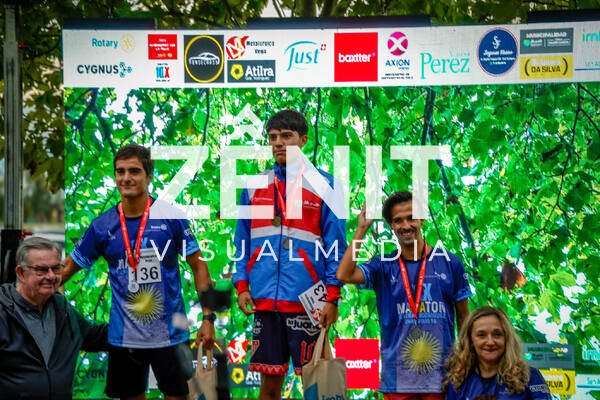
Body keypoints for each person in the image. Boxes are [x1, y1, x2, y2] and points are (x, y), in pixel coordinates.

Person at [61, 144, 215, 400]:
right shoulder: (102, 226)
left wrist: (208, 319)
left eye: (134, 171)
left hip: (170, 335)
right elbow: (66, 269)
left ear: (149, 175)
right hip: (124, 338)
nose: (126, 178)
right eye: (120, 171)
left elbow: (199, 266)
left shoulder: (171, 218)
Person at [232, 109, 347, 399]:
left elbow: (337, 247)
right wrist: (241, 285)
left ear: (303, 140)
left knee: (319, 386)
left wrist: (333, 297)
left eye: (286, 136)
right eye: (273, 137)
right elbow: (242, 242)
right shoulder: (254, 186)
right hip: (265, 302)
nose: (278, 143)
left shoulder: (327, 185)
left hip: (309, 301)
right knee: (270, 387)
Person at [337, 191, 472, 400]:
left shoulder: (450, 263)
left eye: (411, 218)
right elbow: (344, 274)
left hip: (443, 377)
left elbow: (464, 318)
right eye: (398, 220)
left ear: (422, 219)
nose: (405, 225)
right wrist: (361, 229)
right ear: (391, 225)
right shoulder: (383, 265)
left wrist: (467, 363)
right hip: (397, 379)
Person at [0, 237, 109, 400]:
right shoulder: (4, 311)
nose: (51, 276)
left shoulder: (61, 309)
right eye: (41, 270)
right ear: (21, 273)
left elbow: (94, 337)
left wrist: (138, 326)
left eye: (56, 268)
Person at [444, 306, 551, 400]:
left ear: (507, 338)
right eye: (481, 335)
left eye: (497, 334)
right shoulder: (458, 380)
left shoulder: (529, 376)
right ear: (470, 340)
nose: (490, 342)